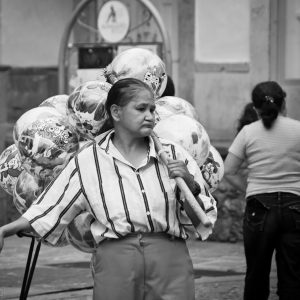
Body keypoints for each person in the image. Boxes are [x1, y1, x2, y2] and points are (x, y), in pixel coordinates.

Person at [0, 78, 217, 300]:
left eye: (152, 109)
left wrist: (191, 186)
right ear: (116, 112)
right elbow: (48, 209)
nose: (151, 115)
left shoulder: (174, 154)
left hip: (170, 261)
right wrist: (5, 231)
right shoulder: (88, 160)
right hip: (116, 262)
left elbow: (202, 219)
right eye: (141, 109)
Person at [224, 81, 300, 300]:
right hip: (295, 208)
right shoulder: (298, 129)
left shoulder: (248, 132)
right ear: (284, 103)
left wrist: (249, 189)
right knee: (293, 276)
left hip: (259, 207)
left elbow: (228, 171)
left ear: (255, 108)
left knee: (256, 275)